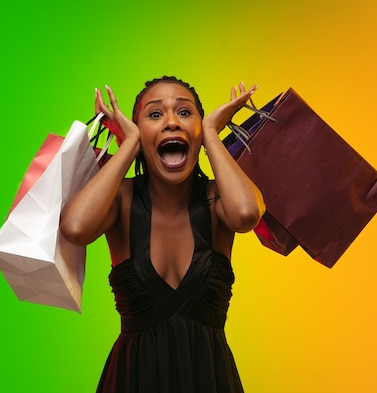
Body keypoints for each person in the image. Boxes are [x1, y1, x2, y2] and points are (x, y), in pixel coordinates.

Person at [60, 76, 266, 393]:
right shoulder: (121, 198)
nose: (171, 122)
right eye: (155, 115)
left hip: (211, 380)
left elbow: (246, 214)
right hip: (132, 380)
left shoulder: (217, 199)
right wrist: (128, 145)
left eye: (185, 113)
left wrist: (212, 135)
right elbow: (75, 228)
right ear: (139, 132)